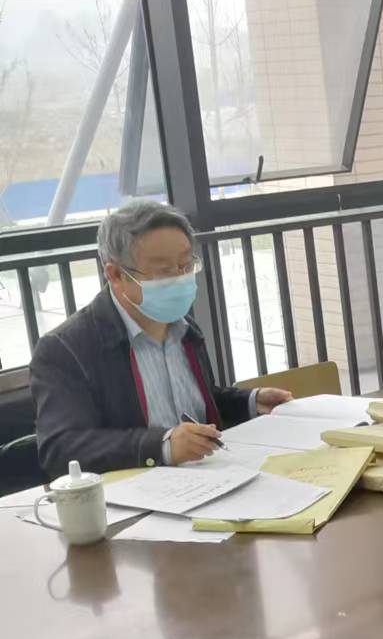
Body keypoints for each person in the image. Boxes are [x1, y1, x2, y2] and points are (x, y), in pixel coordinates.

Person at [30, 201, 291, 480]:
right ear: (116, 275)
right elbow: (61, 450)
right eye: (164, 271)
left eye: (186, 265)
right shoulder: (65, 349)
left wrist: (250, 401)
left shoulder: (183, 327)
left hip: (210, 478)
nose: (180, 279)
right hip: (133, 493)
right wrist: (161, 446)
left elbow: (192, 408)